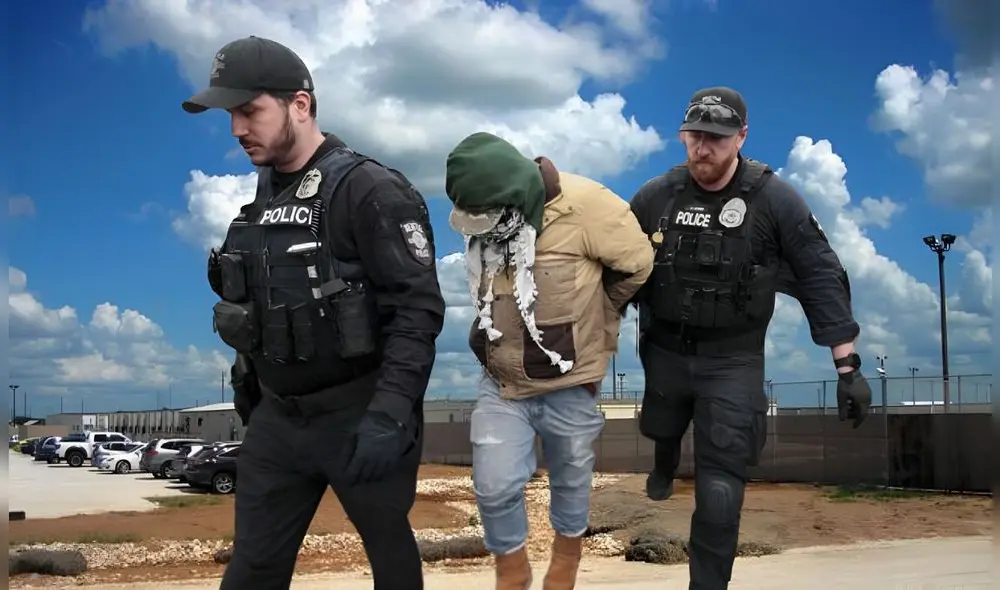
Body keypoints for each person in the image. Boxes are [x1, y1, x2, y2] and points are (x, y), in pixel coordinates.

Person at [187, 36, 445, 590]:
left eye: (249, 110)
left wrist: (390, 414)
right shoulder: (257, 208)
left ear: (299, 105)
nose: (237, 129)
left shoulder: (369, 189)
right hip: (278, 421)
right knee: (252, 568)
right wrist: (250, 392)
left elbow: (416, 311)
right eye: (231, 114)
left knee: (389, 555)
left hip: (360, 412)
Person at [629, 87, 872, 590]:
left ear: (741, 137)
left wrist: (848, 368)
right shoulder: (657, 195)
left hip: (733, 361)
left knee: (720, 490)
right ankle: (665, 457)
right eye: (694, 136)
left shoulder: (773, 199)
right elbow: (613, 271)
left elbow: (821, 275)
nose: (703, 149)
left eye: (716, 138)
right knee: (661, 424)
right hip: (665, 351)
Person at [445, 132, 655, 590]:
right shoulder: (487, 218)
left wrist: (598, 328)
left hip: (569, 380)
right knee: (494, 482)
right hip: (501, 379)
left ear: (515, 197)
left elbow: (638, 264)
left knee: (572, 473)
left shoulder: (589, 207)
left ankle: (567, 555)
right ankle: (511, 567)